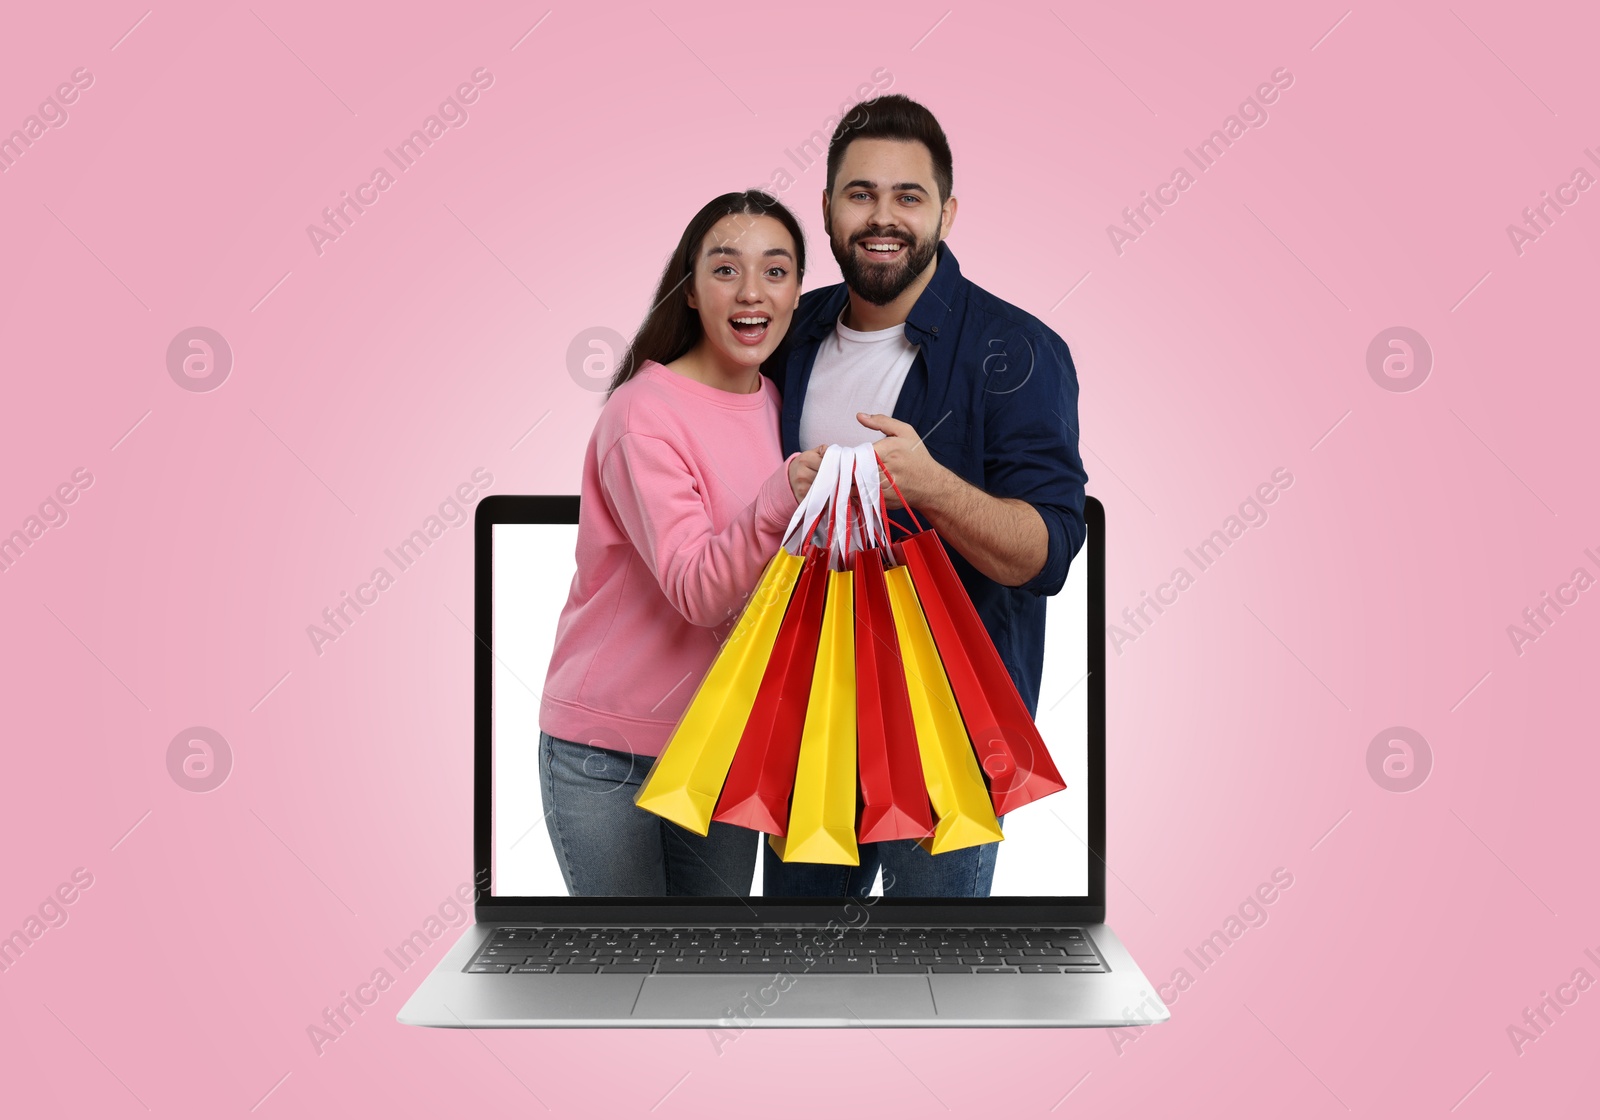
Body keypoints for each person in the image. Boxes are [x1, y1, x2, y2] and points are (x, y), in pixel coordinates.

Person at [761, 94, 1089, 898]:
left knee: (938, 989)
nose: (883, 217)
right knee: (796, 987)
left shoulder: (1020, 350)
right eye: (860, 193)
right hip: (808, 732)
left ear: (946, 212)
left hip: (949, 746)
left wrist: (935, 488)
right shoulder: (783, 333)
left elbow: (1045, 553)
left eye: (908, 197)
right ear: (829, 209)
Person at [538, 191, 826, 896]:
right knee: (627, 981)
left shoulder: (783, 407)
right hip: (608, 754)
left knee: (710, 979)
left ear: (796, 293)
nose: (752, 292)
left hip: (720, 743)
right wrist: (786, 491)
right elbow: (698, 591)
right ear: (691, 291)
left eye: (777, 271)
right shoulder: (644, 414)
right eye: (725, 270)